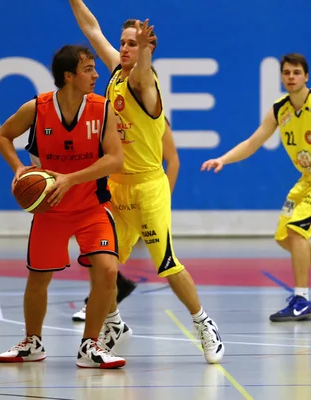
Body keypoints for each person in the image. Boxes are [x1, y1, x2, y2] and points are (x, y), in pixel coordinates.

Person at [68, 0, 224, 364]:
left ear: (147, 49)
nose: (124, 47)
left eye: (133, 43)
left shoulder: (144, 81)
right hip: (116, 188)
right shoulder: (114, 73)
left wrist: (144, 53)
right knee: (100, 262)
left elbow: (141, 71)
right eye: (123, 42)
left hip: (149, 188)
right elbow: (91, 28)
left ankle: (204, 323)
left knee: (167, 264)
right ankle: (114, 324)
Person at [201, 53, 311, 322]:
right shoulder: (280, 110)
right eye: (286, 73)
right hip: (308, 178)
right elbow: (253, 142)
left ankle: (302, 300)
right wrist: (223, 159)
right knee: (284, 236)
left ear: (306, 76)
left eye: (296, 72)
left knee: (297, 231)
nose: (291, 77)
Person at [0, 44, 127, 369]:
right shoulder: (37, 109)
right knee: (38, 278)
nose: (96, 75)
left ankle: (90, 346)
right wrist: (18, 169)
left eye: (95, 69)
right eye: (88, 70)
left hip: (90, 208)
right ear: (69, 76)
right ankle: (32, 343)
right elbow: (3, 136)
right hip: (50, 210)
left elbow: (115, 159)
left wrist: (70, 178)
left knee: (108, 271)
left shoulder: (102, 108)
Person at [72, 117, 179, 322]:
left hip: (145, 194)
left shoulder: (155, 118)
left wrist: (163, 201)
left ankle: (98, 304)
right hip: (117, 191)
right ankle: (103, 302)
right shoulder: (114, 116)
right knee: (94, 251)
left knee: (166, 263)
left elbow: (173, 160)